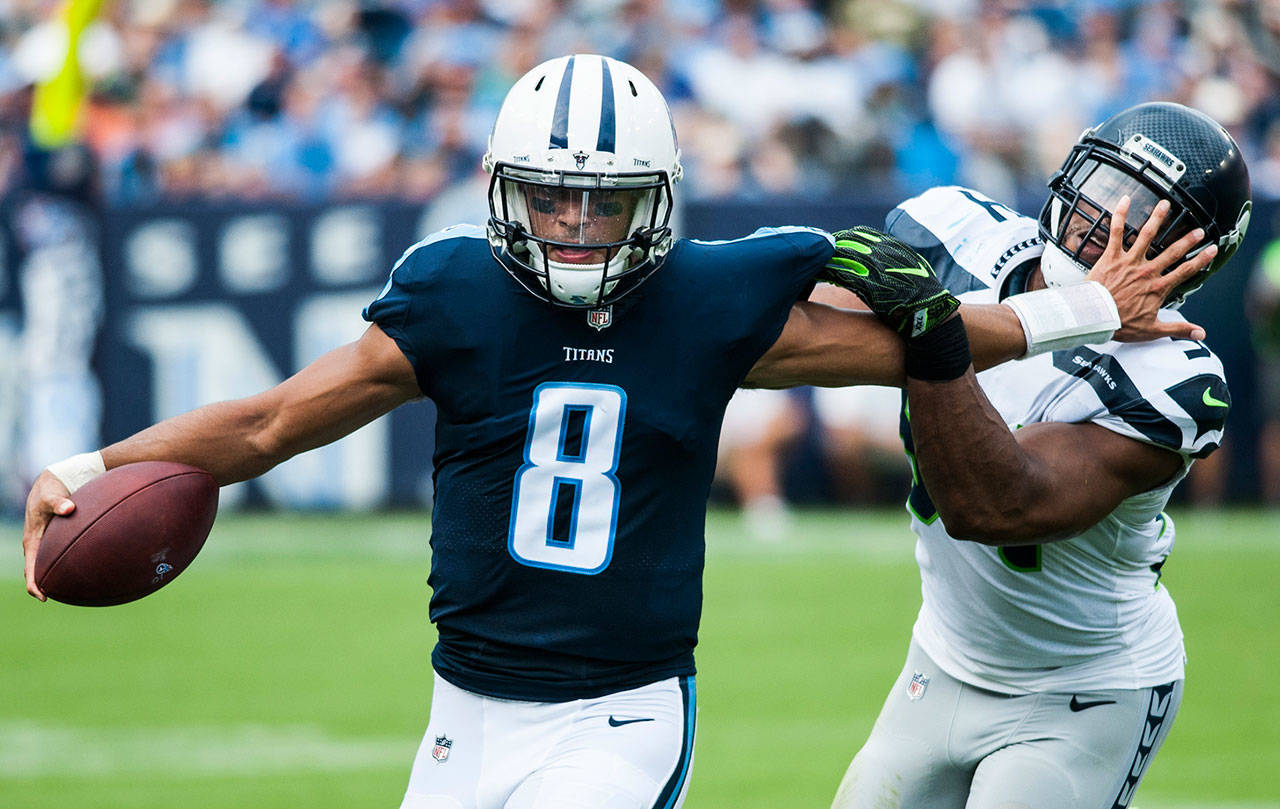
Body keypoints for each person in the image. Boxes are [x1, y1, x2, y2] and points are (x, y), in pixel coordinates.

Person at [22, 57, 1204, 809]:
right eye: (552, 195)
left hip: (616, 716)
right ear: (505, 189)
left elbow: (934, 344)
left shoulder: (706, 301)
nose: (577, 225)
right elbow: (270, 418)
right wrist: (88, 466)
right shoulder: (453, 295)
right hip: (462, 711)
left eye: (606, 199)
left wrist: (1092, 309)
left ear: (661, 199)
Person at [828, 101, 1252, 809]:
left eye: (1148, 215)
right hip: (942, 653)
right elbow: (780, 336)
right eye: (1106, 188)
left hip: (1085, 689)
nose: (1104, 222)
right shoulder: (951, 228)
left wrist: (928, 321)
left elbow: (995, 503)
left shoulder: (1176, 379)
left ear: (1194, 259)